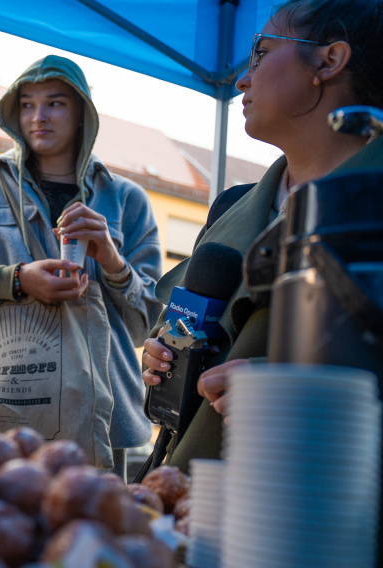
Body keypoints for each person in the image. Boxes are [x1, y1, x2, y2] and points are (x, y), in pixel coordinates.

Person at [142, 0, 383, 474]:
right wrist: (162, 352)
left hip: (315, 515)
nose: (241, 79)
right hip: (188, 497)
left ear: (329, 60)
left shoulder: (371, 206)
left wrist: (295, 389)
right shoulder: (233, 206)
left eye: (261, 53)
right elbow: (188, 322)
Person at [0, 55, 163, 478]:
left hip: (97, 413)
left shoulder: (127, 199)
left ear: (83, 112)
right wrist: (14, 280)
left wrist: (112, 260)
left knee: (85, 533)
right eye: (27, 104)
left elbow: (146, 326)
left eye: (55, 103)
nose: (38, 116)